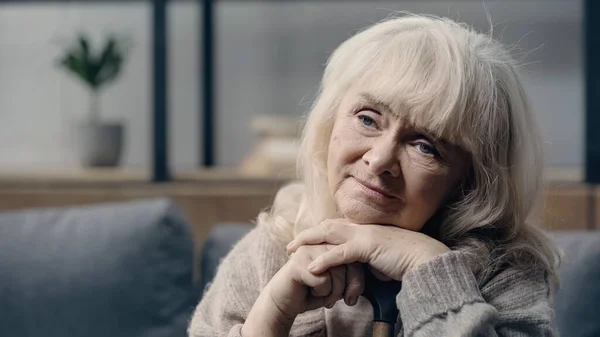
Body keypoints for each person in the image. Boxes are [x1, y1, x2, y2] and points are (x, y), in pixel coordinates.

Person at [188, 13, 560, 337]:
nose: (380, 159)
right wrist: (271, 316)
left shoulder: (507, 274)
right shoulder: (270, 246)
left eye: (425, 146)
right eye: (367, 119)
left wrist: (429, 267)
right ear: (330, 119)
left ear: (468, 184)